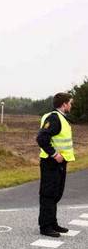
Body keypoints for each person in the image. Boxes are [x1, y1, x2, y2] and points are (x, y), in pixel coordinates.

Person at [36, 93, 74, 237]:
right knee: (48, 194)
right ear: (64, 104)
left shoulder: (61, 118)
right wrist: (54, 154)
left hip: (59, 163)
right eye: (70, 103)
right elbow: (41, 138)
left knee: (56, 193)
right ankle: (45, 227)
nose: (71, 105)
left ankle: (52, 223)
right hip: (51, 162)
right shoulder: (54, 118)